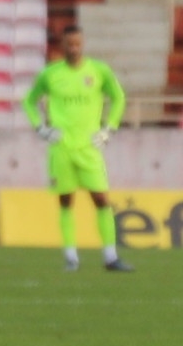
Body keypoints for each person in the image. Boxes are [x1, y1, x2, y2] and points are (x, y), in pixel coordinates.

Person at [22, 25, 131, 273]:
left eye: (77, 43)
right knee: (66, 201)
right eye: (69, 44)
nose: (74, 48)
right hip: (61, 148)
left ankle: (111, 258)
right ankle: (71, 258)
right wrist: (40, 128)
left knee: (102, 199)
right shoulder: (50, 74)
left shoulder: (99, 71)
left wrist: (109, 129)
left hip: (89, 148)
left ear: (83, 44)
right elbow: (29, 101)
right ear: (62, 45)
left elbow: (119, 97)